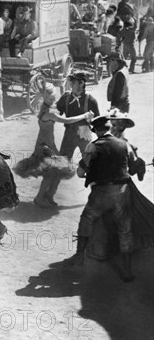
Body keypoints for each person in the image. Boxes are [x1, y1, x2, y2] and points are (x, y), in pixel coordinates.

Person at [64, 116, 137, 282]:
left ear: (96, 131)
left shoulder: (93, 147)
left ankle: (80, 255)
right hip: (122, 191)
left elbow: (81, 172)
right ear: (109, 128)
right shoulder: (124, 144)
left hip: (101, 192)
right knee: (125, 230)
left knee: (87, 218)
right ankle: (126, 270)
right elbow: (132, 168)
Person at [13, 82, 93, 208]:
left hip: (48, 144)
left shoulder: (44, 107)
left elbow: (59, 108)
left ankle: (48, 196)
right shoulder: (48, 112)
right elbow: (66, 120)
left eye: (54, 98)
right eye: (50, 98)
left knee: (55, 172)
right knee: (50, 173)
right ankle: (40, 198)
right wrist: (84, 115)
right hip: (45, 146)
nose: (53, 100)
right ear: (44, 97)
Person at [46, 71, 100, 202]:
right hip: (69, 134)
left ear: (82, 84)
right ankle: (49, 195)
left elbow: (98, 122)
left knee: (91, 165)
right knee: (61, 163)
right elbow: (57, 112)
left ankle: (98, 196)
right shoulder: (66, 97)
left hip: (84, 135)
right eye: (71, 81)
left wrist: (91, 125)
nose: (71, 84)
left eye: (74, 82)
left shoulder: (90, 99)